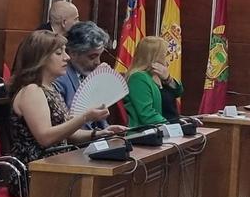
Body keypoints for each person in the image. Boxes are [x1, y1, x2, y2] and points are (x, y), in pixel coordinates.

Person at [9, 31, 124, 165]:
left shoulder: (50, 89)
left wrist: (100, 133)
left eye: (65, 51)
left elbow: (69, 134)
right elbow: (45, 138)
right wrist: (85, 117)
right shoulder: (32, 91)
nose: (67, 57)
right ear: (41, 59)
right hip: (37, 169)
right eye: (59, 53)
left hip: (57, 163)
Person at [54, 21, 111, 129]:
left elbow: (100, 121)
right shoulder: (58, 79)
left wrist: (108, 131)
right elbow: (65, 126)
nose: (98, 62)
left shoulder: (87, 74)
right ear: (73, 53)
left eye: (99, 56)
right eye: (92, 57)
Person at [124, 36, 185, 127]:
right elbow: (147, 114)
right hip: (149, 134)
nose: (168, 60)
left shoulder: (159, 75)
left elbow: (178, 92)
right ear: (154, 57)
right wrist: (172, 127)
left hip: (168, 131)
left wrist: (168, 79)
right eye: (165, 55)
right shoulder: (138, 78)